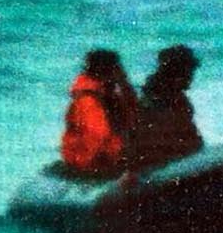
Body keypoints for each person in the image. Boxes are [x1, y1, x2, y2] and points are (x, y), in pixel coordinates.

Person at [60, 48, 138, 178]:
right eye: (117, 69)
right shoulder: (88, 100)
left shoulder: (107, 95)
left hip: (103, 156)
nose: (120, 73)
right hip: (89, 162)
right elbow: (97, 136)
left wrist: (125, 84)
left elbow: (135, 111)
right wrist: (119, 157)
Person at [129, 44, 205, 171]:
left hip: (175, 165)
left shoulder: (176, 97)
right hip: (162, 171)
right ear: (177, 72)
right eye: (189, 71)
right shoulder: (156, 100)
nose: (191, 76)